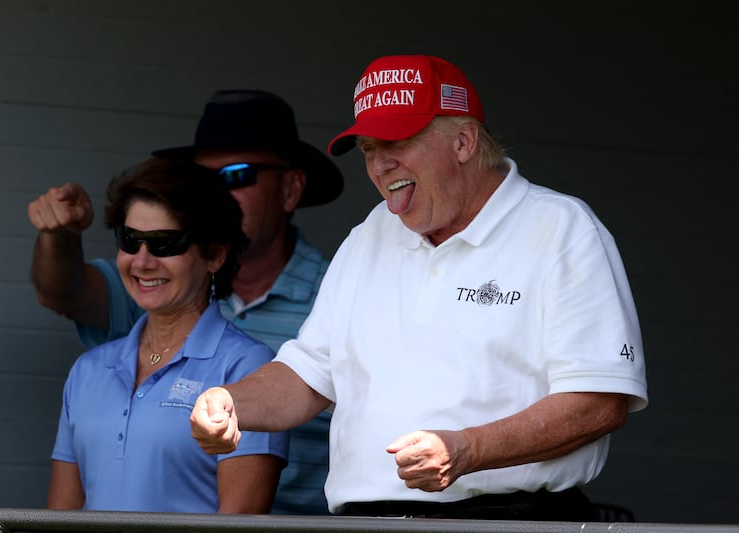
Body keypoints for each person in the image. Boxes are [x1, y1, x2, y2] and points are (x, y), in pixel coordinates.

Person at [189, 54, 649, 521]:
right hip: (365, 523)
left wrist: (468, 449)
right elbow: (310, 373)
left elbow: (599, 403)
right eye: (369, 148)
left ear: (464, 142)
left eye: (397, 142)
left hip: (508, 520)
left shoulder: (560, 230)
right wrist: (232, 401)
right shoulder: (370, 234)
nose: (381, 165)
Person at [28, 90, 342, 515]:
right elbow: (61, 291)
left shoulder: (340, 297)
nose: (143, 259)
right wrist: (58, 232)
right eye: (130, 239)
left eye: (235, 175)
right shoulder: (93, 364)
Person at [47, 157, 288, 513]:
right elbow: (58, 520)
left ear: (215, 255)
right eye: (130, 240)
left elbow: (239, 524)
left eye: (165, 244)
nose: (142, 261)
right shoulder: (88, 370)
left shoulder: (249, 366)